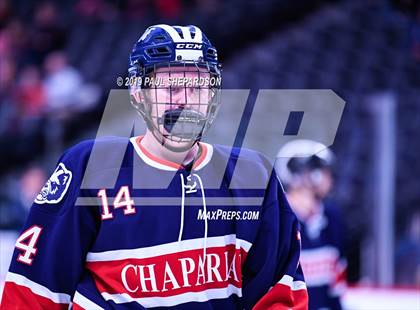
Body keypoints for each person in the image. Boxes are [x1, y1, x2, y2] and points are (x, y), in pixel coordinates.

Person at [0, 25, 308, 309]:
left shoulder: (252, 176)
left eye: (198, 87)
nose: (186, 101)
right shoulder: (90, 168)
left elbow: (280, 294)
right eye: (171, 87)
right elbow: (32, 293)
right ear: (138, 94)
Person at [276, 139, 347, 310]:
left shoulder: (331, 217)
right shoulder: (277, 218)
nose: (330, 178)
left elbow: (336, 286)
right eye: (325, 171)